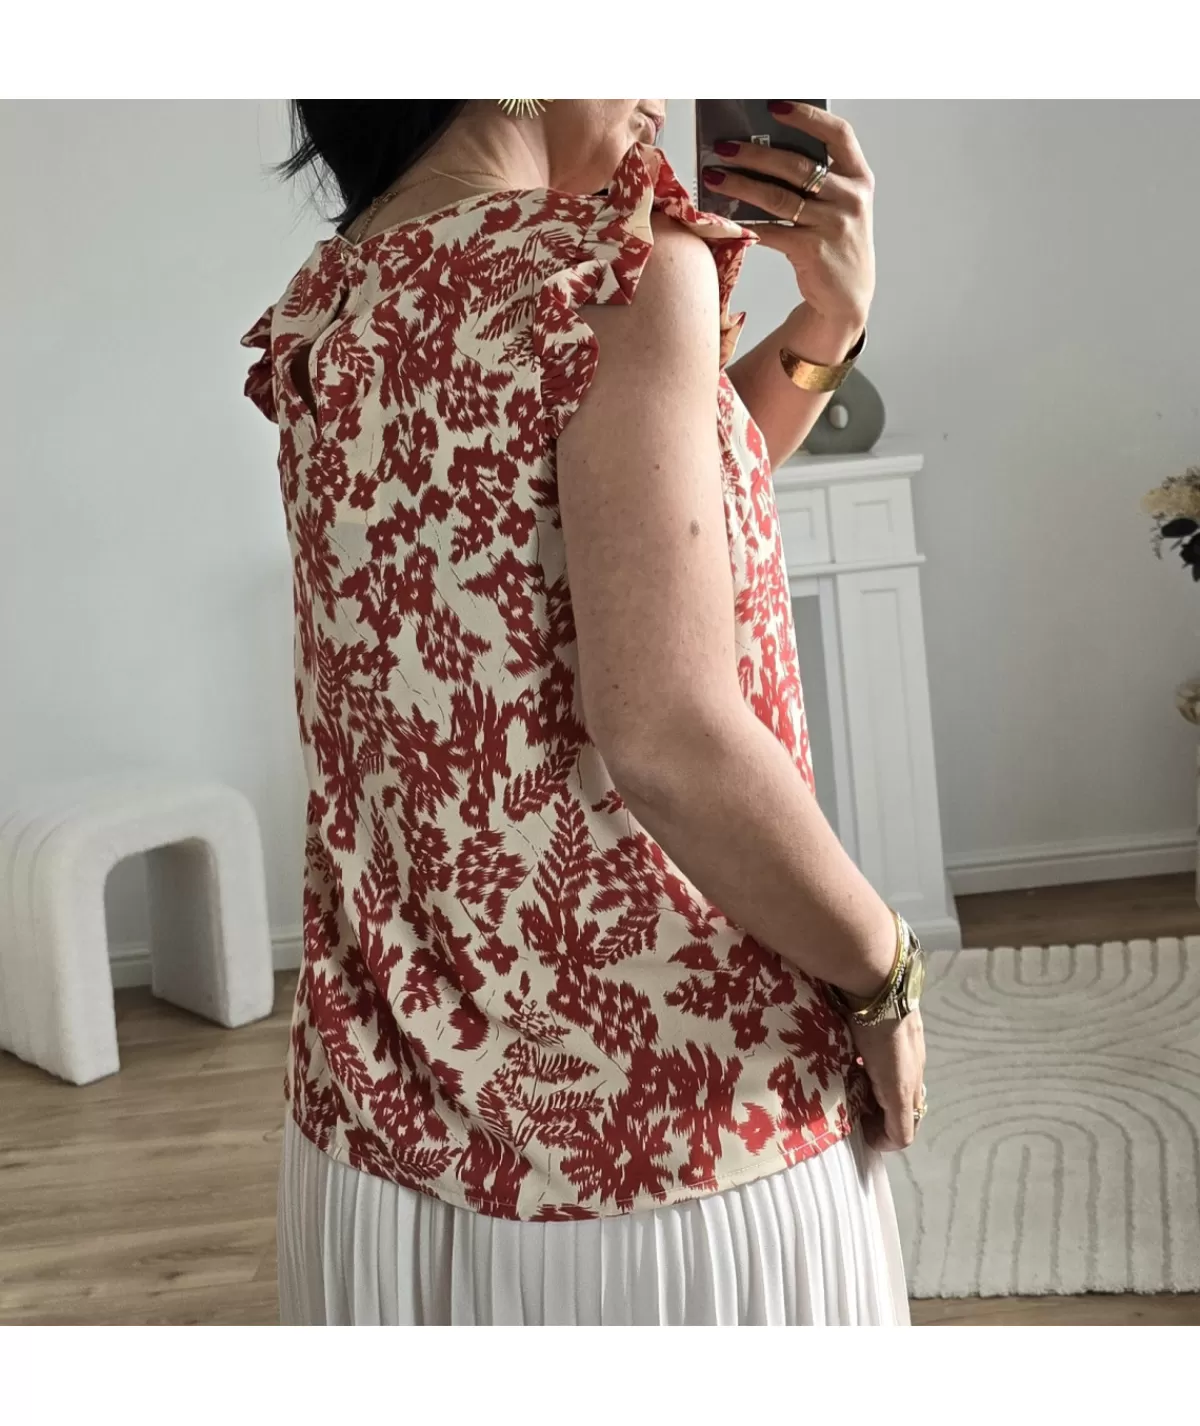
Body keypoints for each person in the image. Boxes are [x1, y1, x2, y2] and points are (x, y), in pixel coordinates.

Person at [243, 98, 927, 1327]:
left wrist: (826, 325)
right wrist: (884, 969)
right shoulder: (611, 266)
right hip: (663, 1134)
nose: (657, 93)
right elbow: (666, 733)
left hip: (381, 1135)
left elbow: (625, 536)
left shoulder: (332, 304)